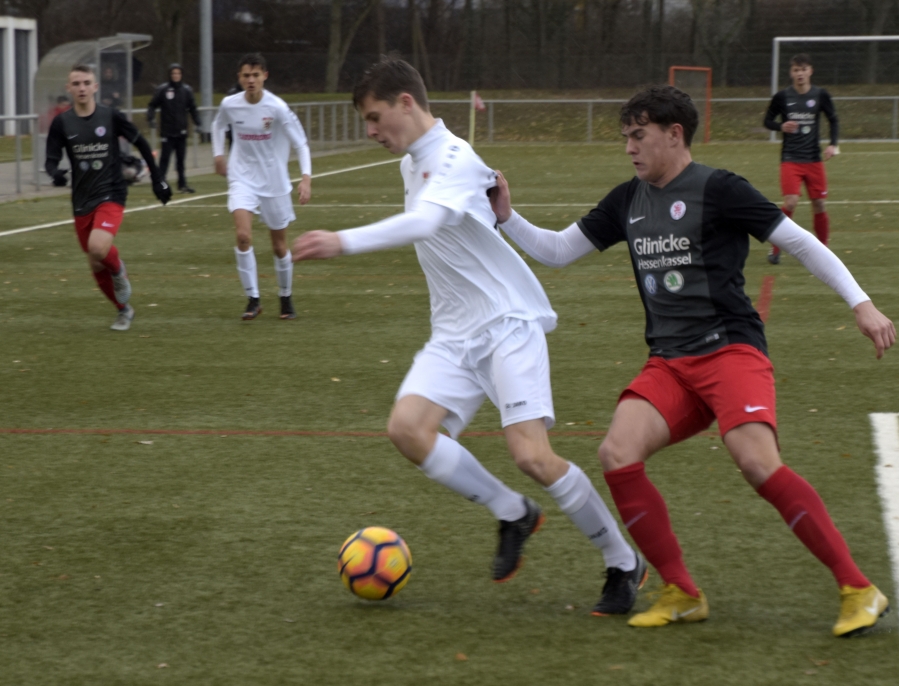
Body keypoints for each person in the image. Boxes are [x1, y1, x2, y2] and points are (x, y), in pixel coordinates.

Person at [488, 85, 896, 636]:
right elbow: (559, 251)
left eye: (639, 136)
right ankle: (680, 591)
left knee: (756, 462)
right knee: (617, 453)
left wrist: (861, 304)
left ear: (674, 134)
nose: (629, 148)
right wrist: (507, 217)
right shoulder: (627, 200)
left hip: (730, 351)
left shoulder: (720, 188)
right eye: (626, 137)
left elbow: (799, 242)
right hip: (670, 363)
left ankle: (858, 588)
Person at [293, 56, 647, 615]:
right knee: (408, 430)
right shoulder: (411, 164)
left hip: (507, 323)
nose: (371, 131)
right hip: (454, 333)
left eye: (375, 117)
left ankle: (623, 561)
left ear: (406, 102)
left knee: (532, 456)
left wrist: (343, 241)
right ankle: (513, 512)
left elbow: (426, 223)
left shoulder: (455, 157)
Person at [45, 63, 172, 331]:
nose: (81, 88)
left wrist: (158, 178)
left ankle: (118, 269)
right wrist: (55, 173)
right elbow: (51, 158)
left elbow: (141, 143)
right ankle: (123, 309)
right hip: (81, 200)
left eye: (86, 83)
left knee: (98, 248)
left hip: (111, 193)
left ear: (95, 86)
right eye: (76, 84)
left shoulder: (111, 116)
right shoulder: (62, 122)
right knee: (94, 261)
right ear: (69, 88)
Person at [211, 53, 311, 321]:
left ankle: (285, 297)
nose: (251, 80)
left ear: (265, 76)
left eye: (256, 75)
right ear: (239, 78)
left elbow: (301, 143)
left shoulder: (277, 107)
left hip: (273, 181)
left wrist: (305, 178)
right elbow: (218, 125)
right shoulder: (230, 104)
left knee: (279, 246)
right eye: (246, 75)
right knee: (243, 236)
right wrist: (218, 155)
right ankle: (253, 299)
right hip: (242, 178)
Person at [763, 53, 839, 265]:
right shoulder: (782, 97)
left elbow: (833, 120)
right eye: (796, 70)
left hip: (813, 159)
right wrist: (781, 126)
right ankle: (775, 247)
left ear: (810, 71)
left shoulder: (820, 95)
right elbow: (767, 121)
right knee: (791, 201)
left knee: (819, 204)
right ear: (791, 72)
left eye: (803, 69)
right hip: (790, 158)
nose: (800, 74)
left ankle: (824, 251)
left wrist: (833, 144)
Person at [147, 63, 202, 193]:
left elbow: (192, 108)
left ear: (181, 75)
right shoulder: (163, 89)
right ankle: (160, 183)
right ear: (170, 75)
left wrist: (198, 123)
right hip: (167, 131)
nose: (176, 76)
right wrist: (151, 118)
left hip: (181, 131)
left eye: (178, 73)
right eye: (173, 73)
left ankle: (182, 184)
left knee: (181, 160)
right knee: (164, 159)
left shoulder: (186, 90)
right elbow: (152, 105)